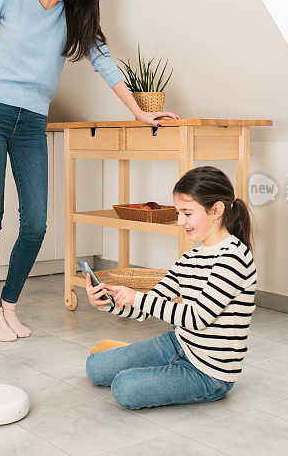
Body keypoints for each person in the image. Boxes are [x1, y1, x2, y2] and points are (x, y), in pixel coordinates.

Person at [0, 0, 179, 342]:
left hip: (32, 123)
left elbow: (104, 63)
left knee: (36, 223)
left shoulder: (75, 18)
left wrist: (139, 112)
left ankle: (9, 306)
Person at [85, 166, 257, 410]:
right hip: (179, 343)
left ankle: (155, 368)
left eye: (187, 213)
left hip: (209, 372)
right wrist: (108, 303)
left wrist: (137, 298)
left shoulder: (234, 258)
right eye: (178, 212)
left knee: (125, 388)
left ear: (216, 210)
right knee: (95, 369)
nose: (180, 221)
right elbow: (146, 308)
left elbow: (198, 318)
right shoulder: (189, 258)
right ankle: (154, 365)